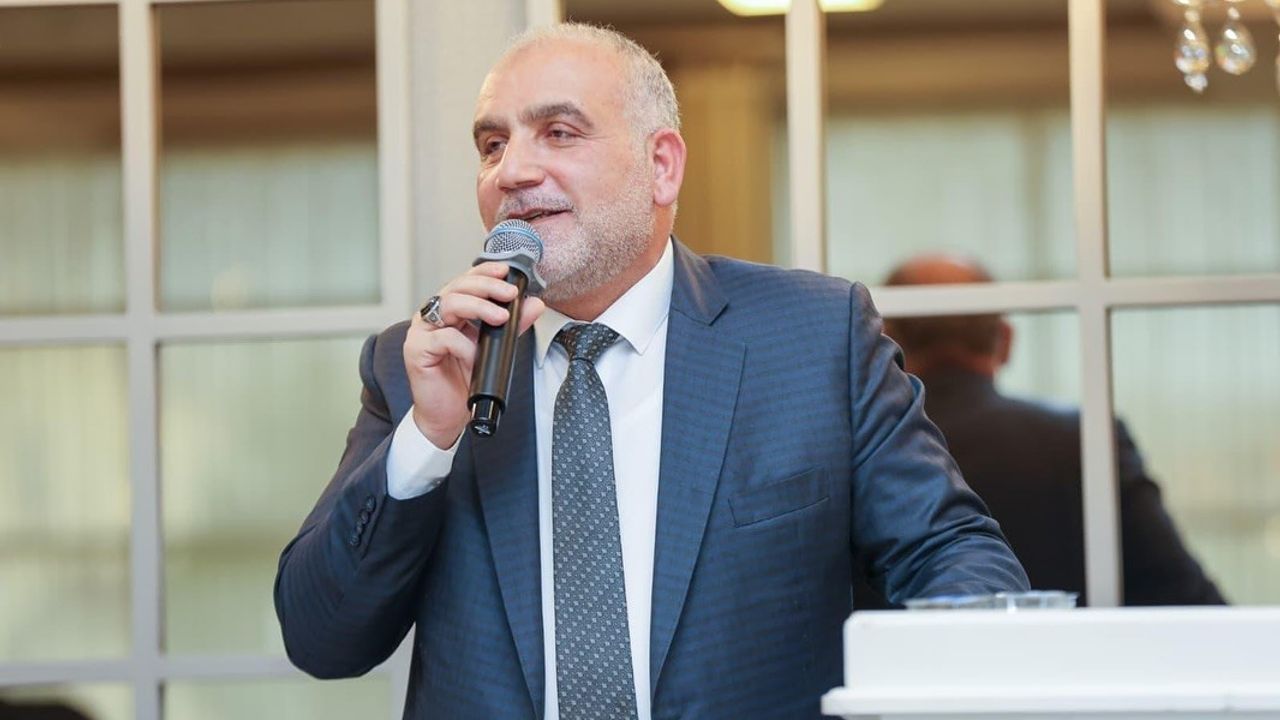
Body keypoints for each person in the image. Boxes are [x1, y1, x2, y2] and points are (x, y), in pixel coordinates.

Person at [274, 24, 1028, 720]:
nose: (513, 171)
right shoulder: (420, 366)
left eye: (559, 132)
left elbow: (953, 559)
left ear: (661, 166)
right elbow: (321, 640)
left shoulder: (814, 337)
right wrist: (428, 438)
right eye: (493, 145)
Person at [875, 252, 1225, 606]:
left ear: (886, 345)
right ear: (1006, 341)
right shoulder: (1082, 440)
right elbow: (1185, 596)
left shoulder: (871, 446)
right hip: (1071, 642)